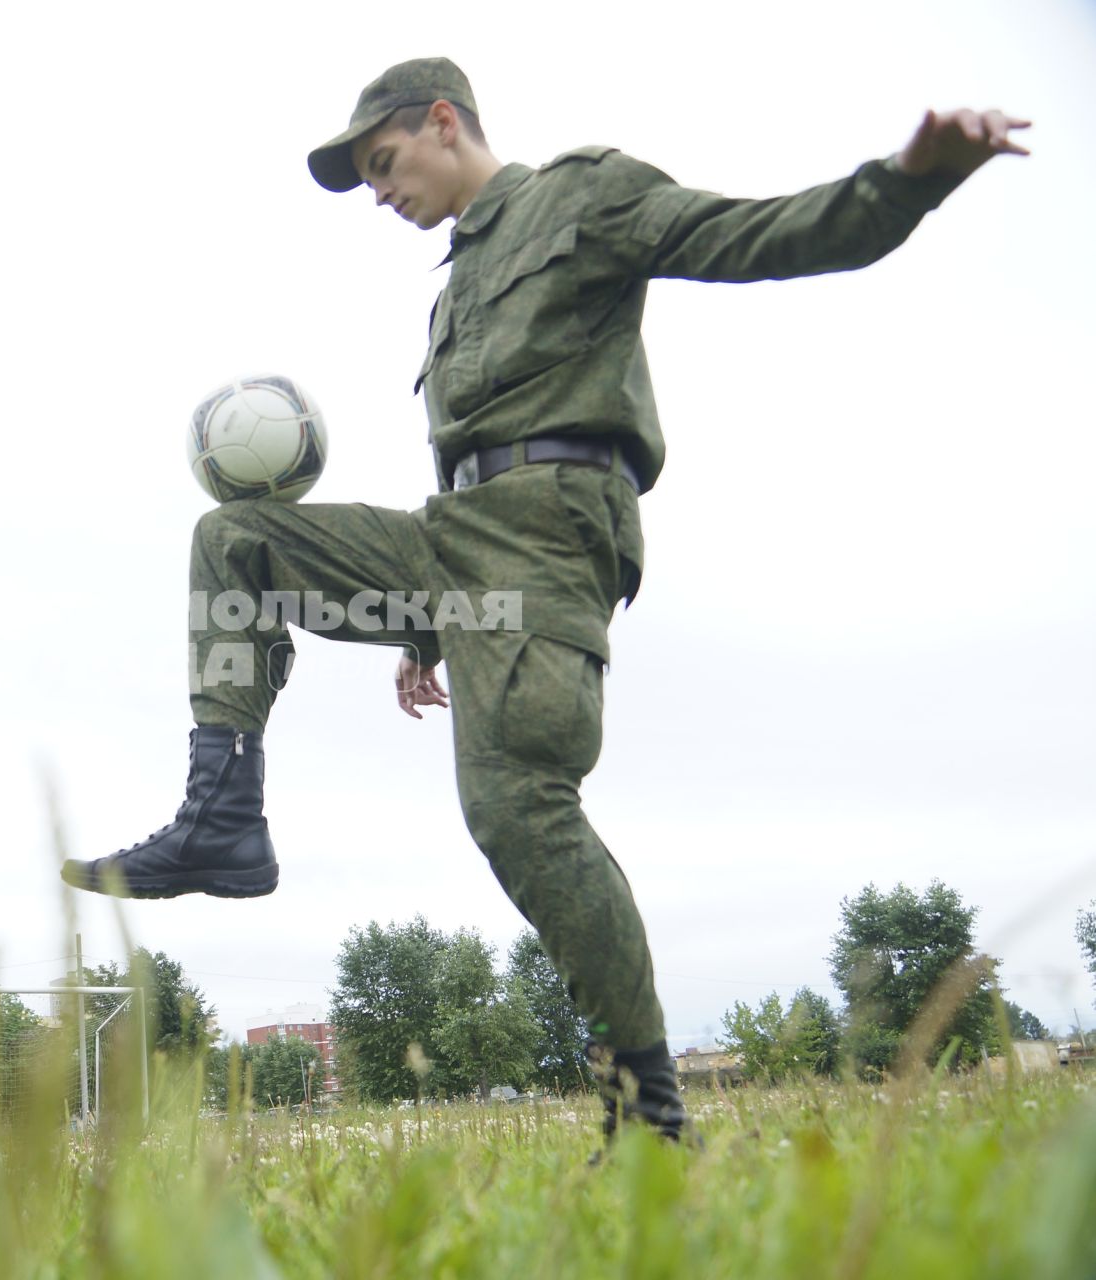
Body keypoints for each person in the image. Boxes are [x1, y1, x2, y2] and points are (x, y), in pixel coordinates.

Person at [60, 56, 1028, 1140]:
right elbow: (463, 467)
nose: (379, 191)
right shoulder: (452, 286)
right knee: (233, 541)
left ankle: (646, 1108)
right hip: (455, 546)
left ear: (442, 123)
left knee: (516, 806)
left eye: (383, 163)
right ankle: (222, 816)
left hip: (549, 537)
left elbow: (759, 236)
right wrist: (424, 621)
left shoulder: (584, 196)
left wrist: (908, 179)